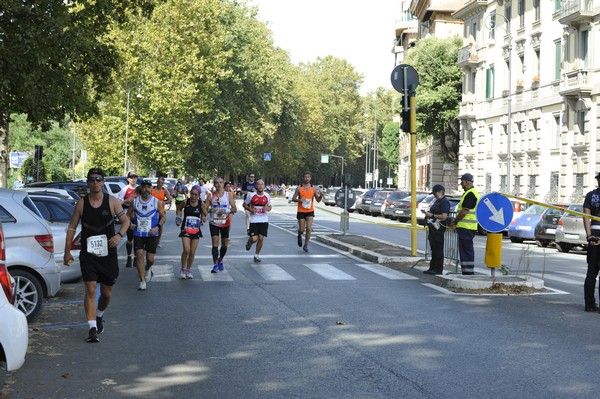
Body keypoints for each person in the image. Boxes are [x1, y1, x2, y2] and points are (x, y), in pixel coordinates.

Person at [64, 168, 130, 343]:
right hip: (89, 254)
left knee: (106, 293)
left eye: (98, 179)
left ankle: (99, 315)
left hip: (108, 253)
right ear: (88, 182)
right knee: (91, 289)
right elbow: (72, 227)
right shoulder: (81, 204)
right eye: (92, 179)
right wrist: (67, 251)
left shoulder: (112, 202)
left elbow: (126, 221)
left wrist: (119, 235)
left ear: (103, 182)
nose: (95, 182)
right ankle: (92, 328)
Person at [128, 180, 166, 290]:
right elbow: (127, 215)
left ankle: (148, 268)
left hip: (152, 234)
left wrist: (157, 227)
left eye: (148, 187)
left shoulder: (156, 202)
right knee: (139, 254)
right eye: (144, 187)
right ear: (141, 189)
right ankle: (142, 281)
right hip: (139, 233)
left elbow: (163, 217)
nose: (146, 189)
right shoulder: (135, 202)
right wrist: (130, 223)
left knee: (150, 259)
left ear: (151, 189)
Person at [449, 173, 480, 275]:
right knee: (465, 251)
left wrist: (455, 221)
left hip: (467, 227)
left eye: (462, 181)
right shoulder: (470, 193)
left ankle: (468, 273)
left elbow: (464, 211)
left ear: (467, 182)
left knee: (466, 251)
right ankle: (467, 272)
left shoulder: (471, 194)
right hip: (466, 227)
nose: (460, 183)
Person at [205, 178, 237, 273]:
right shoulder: (211, 195)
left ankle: (220, 259)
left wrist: (226, 211)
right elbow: (205, 208)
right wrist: (210, 210)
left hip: (225, 222)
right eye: (216, 183)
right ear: (214, 184)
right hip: (214, 222)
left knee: (224, 245)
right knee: (215, 243)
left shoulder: (228, 195)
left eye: (220, 182)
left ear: (223, 184)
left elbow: (234, 209)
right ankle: (215, 264)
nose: (219, 184)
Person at [176, 186, 207, 279]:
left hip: (196, 230)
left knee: (192, 252)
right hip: (185, 229)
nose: (193, 196)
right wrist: (178, 218)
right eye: (192, 194)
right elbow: (179, 210)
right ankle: (183, 268)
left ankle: (188, 270)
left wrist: (204, 218)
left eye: (195, 194)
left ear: (198, 195)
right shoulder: (186, 202)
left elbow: (206, 214)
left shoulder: (201, 204)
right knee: (187, 250)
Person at [292, 171, 323, 252]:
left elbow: (318, 200)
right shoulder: (299, 188)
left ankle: (306, 245)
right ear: (303, 178)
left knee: (309, 228)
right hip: (301, 211)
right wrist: (300, 200)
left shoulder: (314, 188)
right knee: (302, 229)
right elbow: (293, 198)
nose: (307, 178)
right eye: (305, 177)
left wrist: (321, 196)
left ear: (310, 178)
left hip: (310, 210)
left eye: (308, 177)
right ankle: (299, 235)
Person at [423, 184, 451, 275]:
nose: (433, 195)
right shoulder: (436, 201)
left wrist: (432, 215)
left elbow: (444, 216)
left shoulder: (444, 202)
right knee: (434, 249)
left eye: (435, 193)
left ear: (440, 192)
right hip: (433, 228)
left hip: (439, 228)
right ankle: (432, 267)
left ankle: (438, 269)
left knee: (438, 249)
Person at [583, 172, 600, 312]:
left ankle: (589, 304)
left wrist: (590, 236)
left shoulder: (590, 195)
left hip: (593, 232)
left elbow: (585, 217)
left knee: (591, 271)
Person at [243, 179, 272, 262]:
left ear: (264, 186)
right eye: (258, 184)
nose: (260, 186)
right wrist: (250, 209)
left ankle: (256, 255)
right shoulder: (251, 195)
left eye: (262, 184)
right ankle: (250, 241)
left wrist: (267, 208)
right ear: (256, 186)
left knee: (261, 238)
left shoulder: (267, 196)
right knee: (254, 239)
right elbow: (244, 204)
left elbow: (270, 207)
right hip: (254, 219)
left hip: (264, 219)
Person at [118, 171, 138, 268]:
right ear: (128, 179)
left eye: (135, 177)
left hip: (138, 215)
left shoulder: (139, 189)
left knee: (137, 237)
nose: (133, 179)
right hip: (127, 214)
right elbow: (119, 203)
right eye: (131, 177)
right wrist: (127, 200)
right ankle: (129, 256)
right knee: (130, 238)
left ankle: (136, 257)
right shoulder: (124, 189)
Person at [151, 177, 173, 246]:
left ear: (163, 184)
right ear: (157, 182)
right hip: (152, 210)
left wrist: (164, 202)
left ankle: (158, 241)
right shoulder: (152, 189)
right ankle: (150, 239)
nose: (160, 184)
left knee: (160, 226)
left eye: (162, 183)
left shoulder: (164, 191)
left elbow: (170, 199)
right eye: (159, 182)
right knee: (151, 225)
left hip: (161, 210)